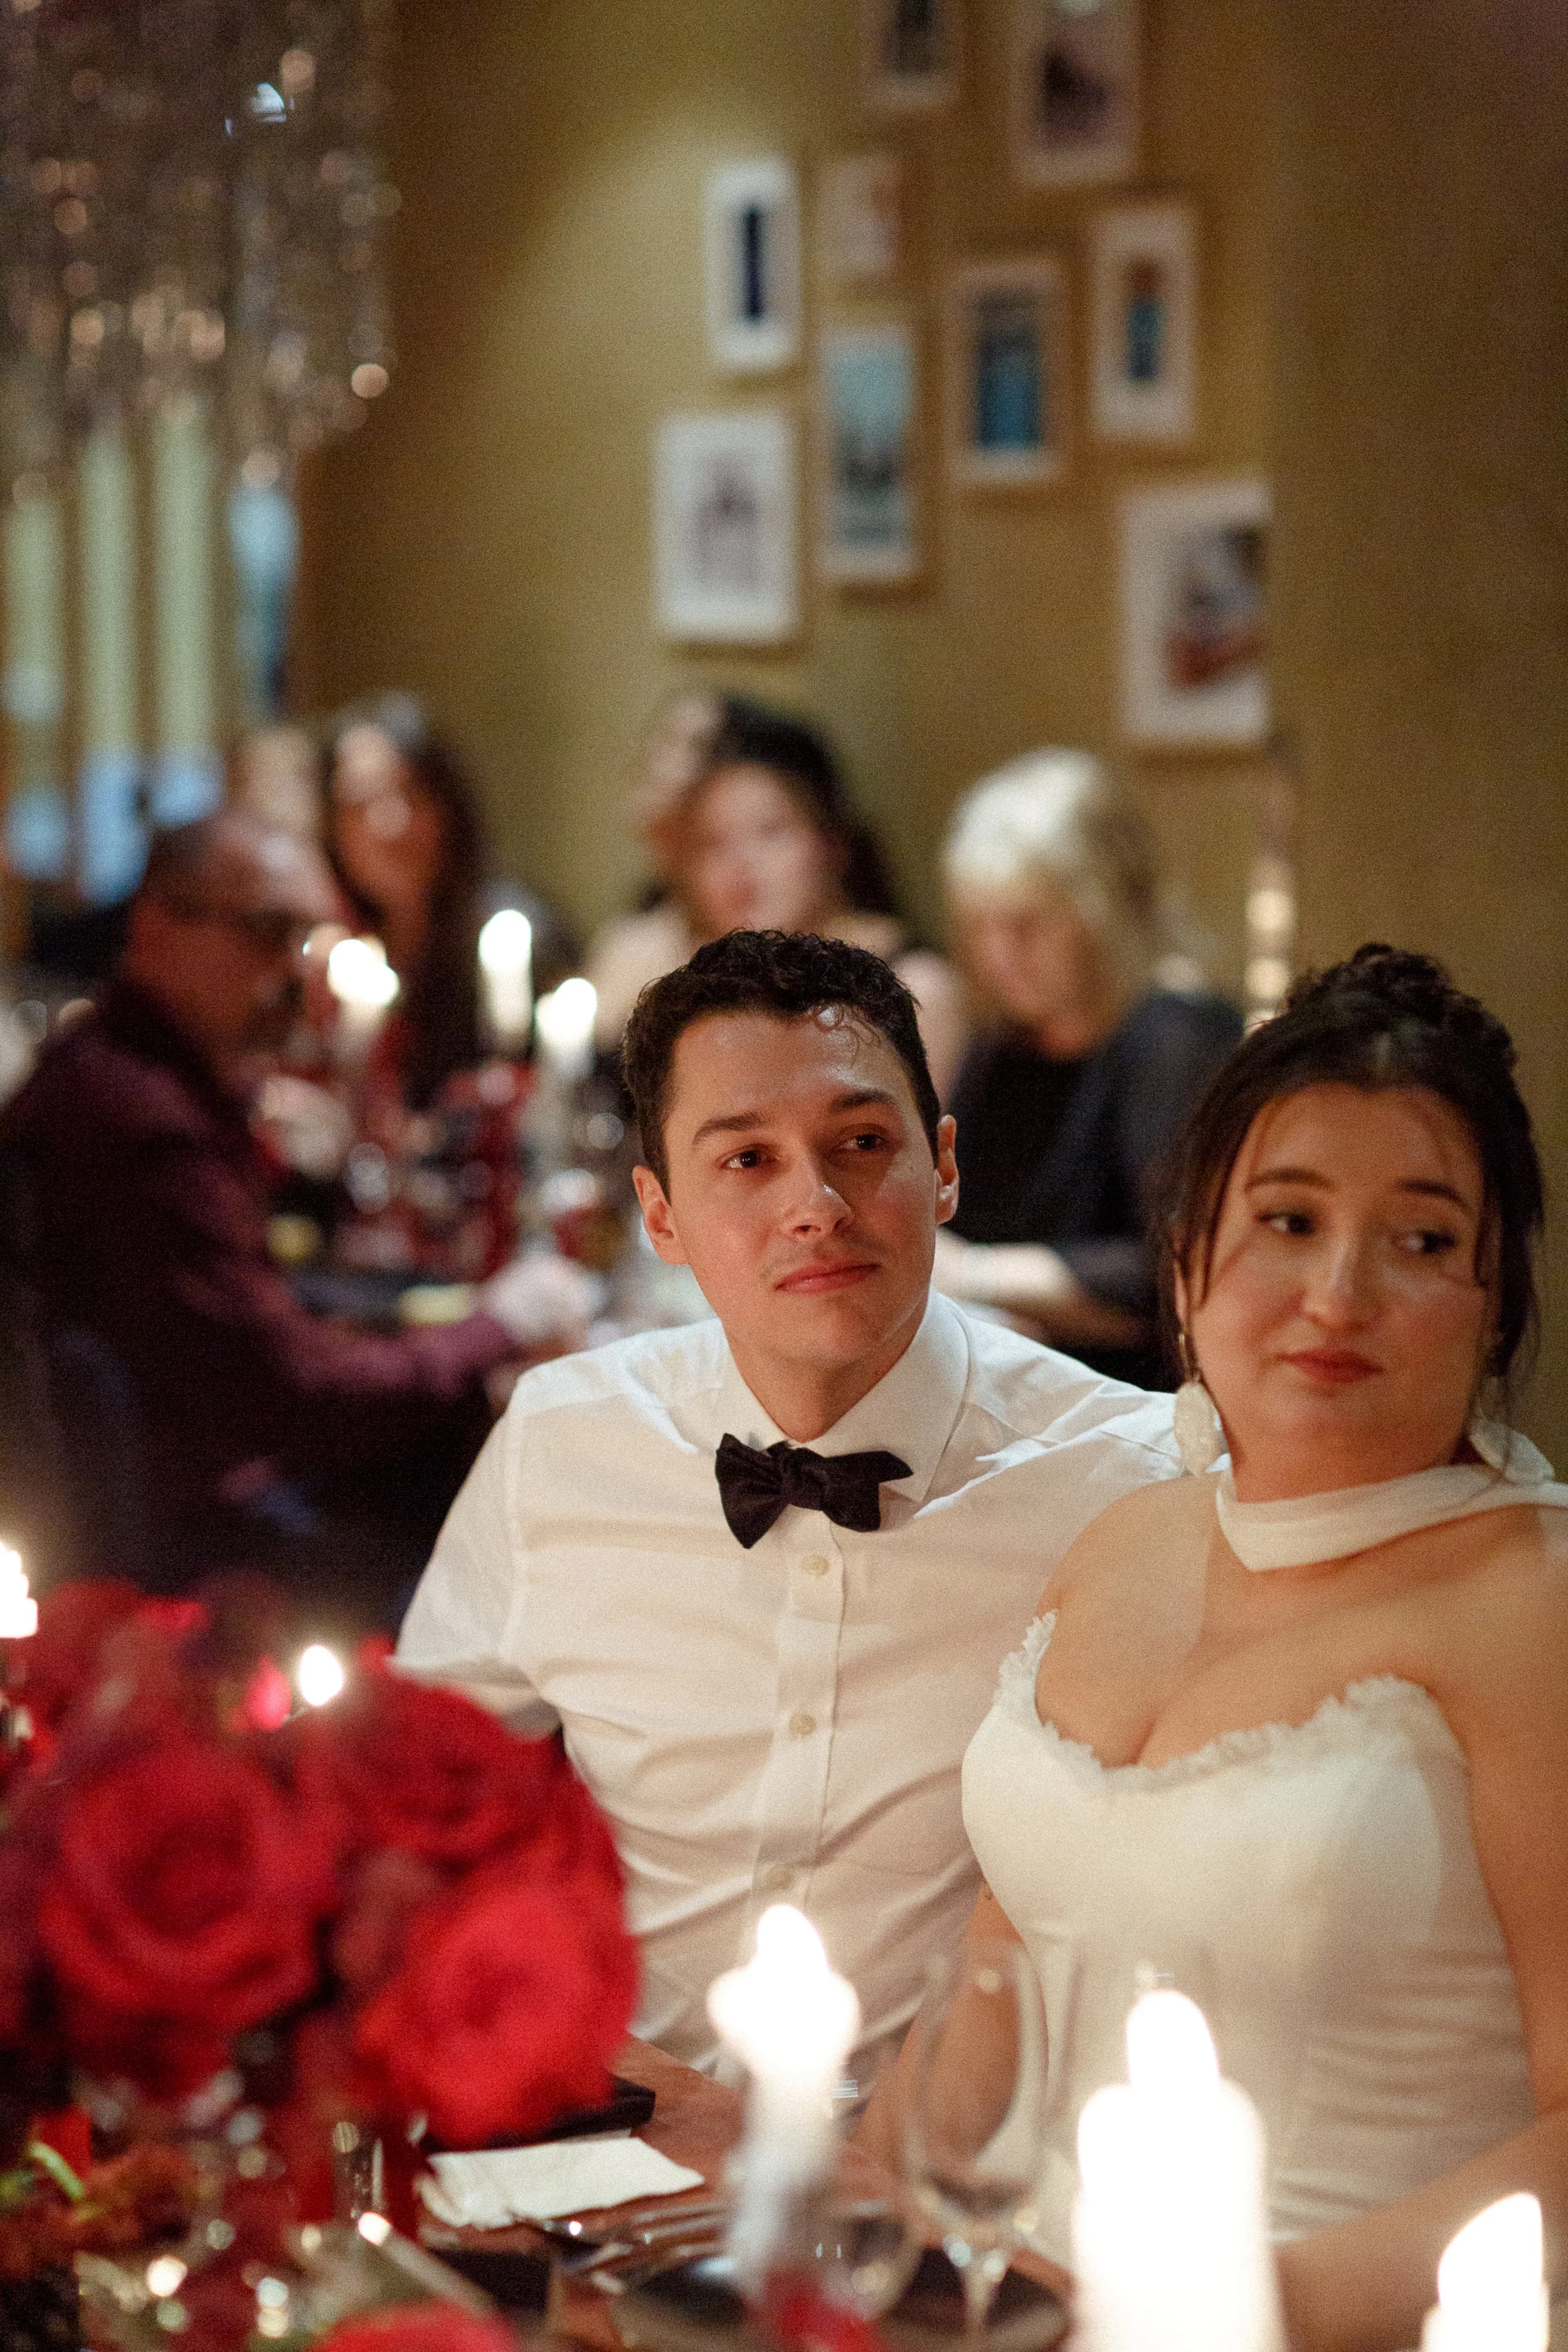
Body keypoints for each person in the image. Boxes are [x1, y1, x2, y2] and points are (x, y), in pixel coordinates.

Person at [883, 946, 1567, 2352]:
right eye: (1287, 1221)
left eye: (1422, 1240)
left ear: (1493, 1308)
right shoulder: (1119, 1540)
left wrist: (1246, 2309)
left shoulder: (1531, 1600)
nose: (1336, 1294)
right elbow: (1002, 1972)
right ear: (1185, 1265)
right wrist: (863, 2225)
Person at [397, 929, 1177, 2089]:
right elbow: (410, 1813)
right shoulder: (563, 1444)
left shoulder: (1127, 1477)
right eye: (747, 1162)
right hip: (619, 2148)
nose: (815, 1204)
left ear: (944, 1166)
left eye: (861, 1144)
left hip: (952, 2185)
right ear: (658, 1216)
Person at [0, 812, 597, 1625]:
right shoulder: (138, 1117)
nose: (292, 970)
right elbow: (296, 1394)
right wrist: (494, 1326)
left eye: (304, 939)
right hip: (182, 1559)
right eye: (265, 931)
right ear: (154, 926)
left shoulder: (136, 1078)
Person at [934, 748, 1241, 1385]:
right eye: (981, 926)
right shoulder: (1006, 1048)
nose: (999, 954)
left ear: (1101, 911)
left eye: (1025, 924)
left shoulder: (1174, 1037)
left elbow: (1174, 1277)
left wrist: (975, 1275)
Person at [586, 700, 969, 1099]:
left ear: (830, 844)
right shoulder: (663, 961)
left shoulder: (916, 983)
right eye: (713, 844)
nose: (741, 864)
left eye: (770, 832)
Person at [323, 692, 577, 1110]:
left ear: (448, 809)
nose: (391, 824)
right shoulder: (322, 956)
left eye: (411, 794)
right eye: (359, 804)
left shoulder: (528, 941)